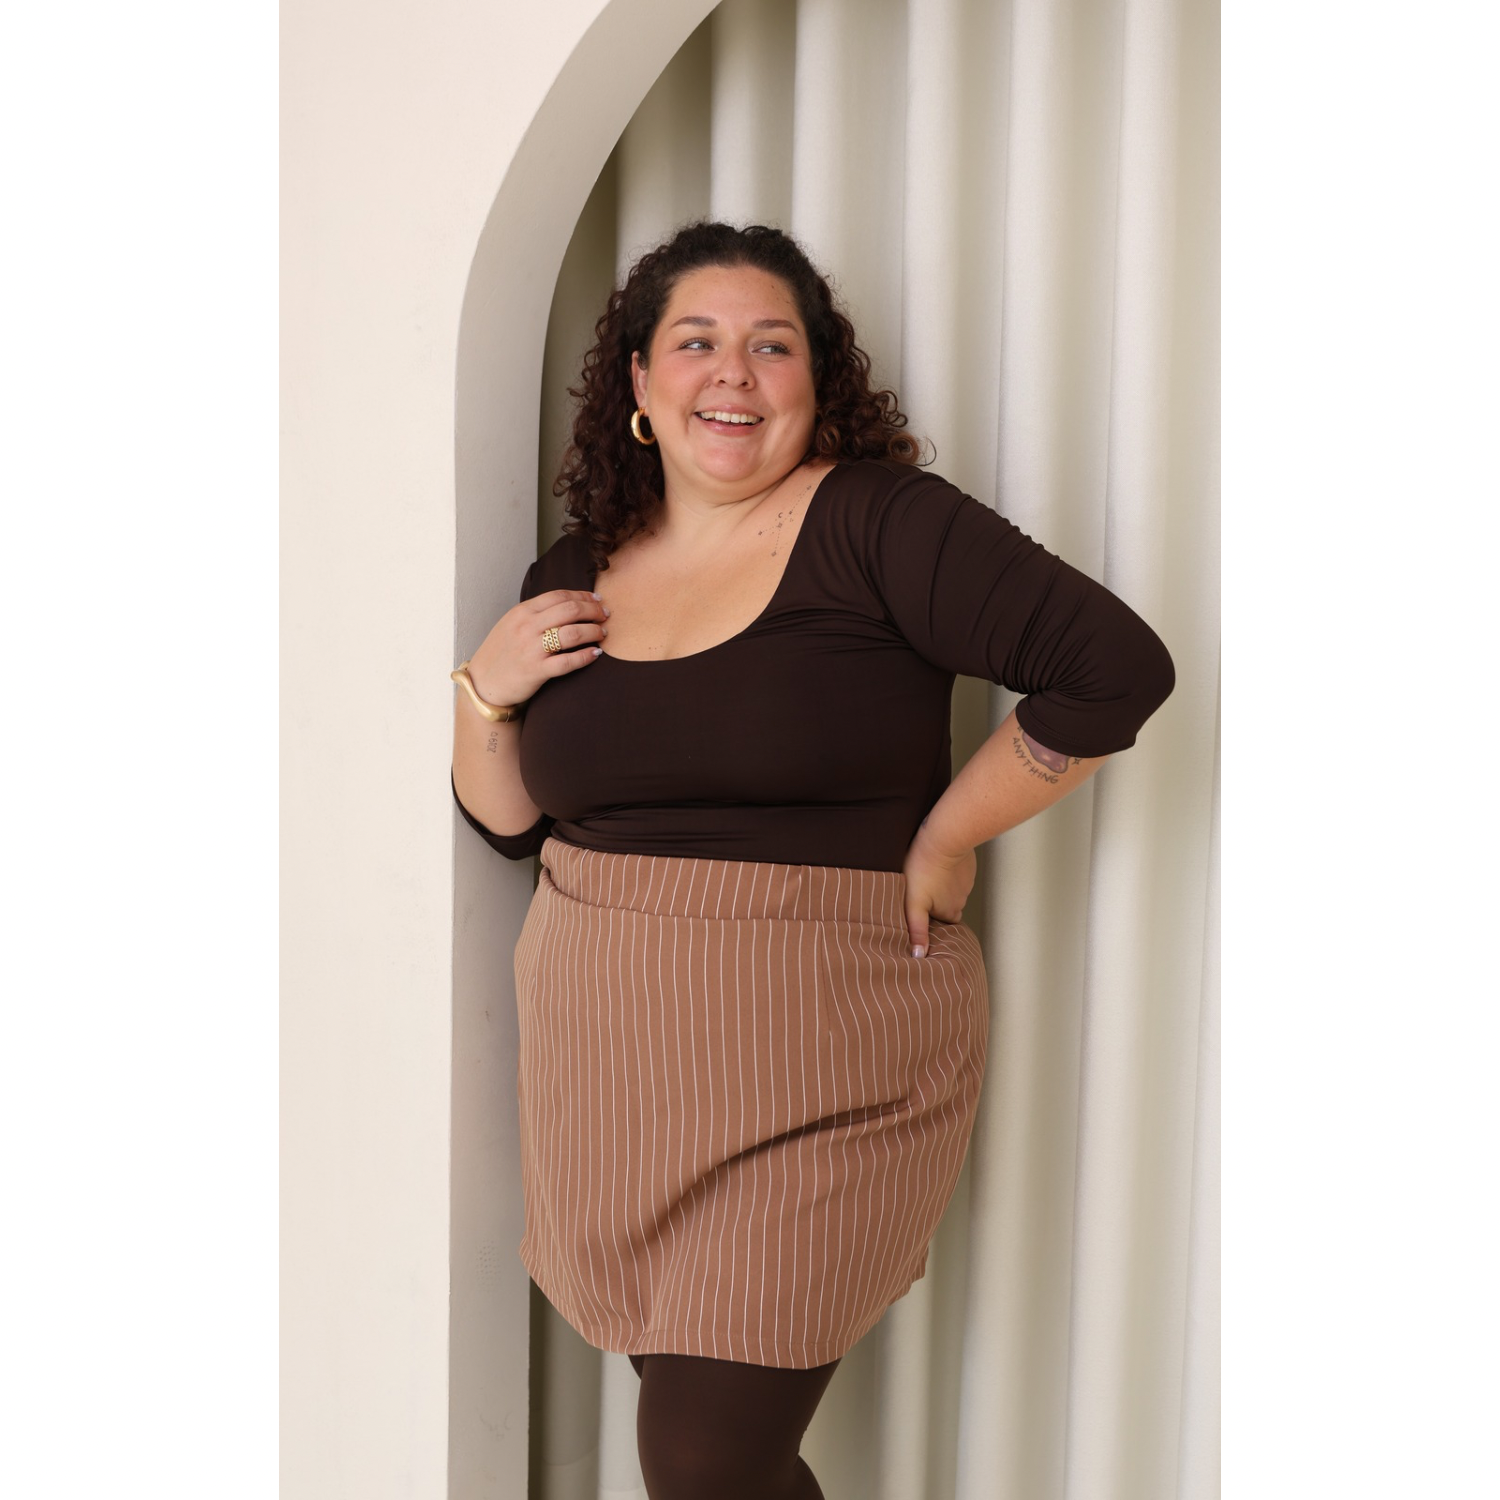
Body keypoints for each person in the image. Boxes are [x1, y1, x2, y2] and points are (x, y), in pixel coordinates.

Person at [450, 221, 1173, 1500]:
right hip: (609, 1066)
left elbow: (1115, 669)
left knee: (701, 1462)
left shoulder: (879, 525)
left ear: (815, 379)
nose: (734, 372)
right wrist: (485, 689)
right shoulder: (577, 570)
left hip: (826, 1052)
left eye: (772, 345)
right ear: (638, 380)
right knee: (731, 1462)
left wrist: (949, 832)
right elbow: (513, 825)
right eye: (696, 342)